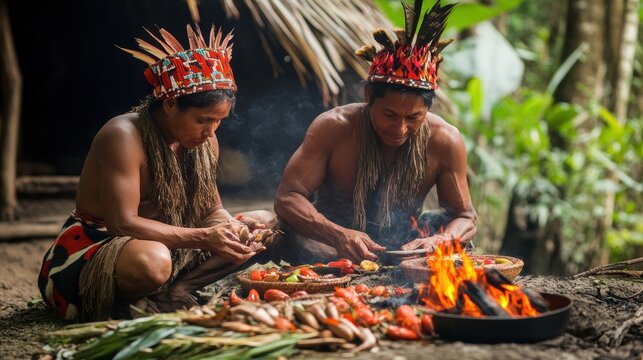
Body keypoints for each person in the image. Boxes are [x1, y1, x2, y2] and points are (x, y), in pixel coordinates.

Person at [38, 25, 277, 321]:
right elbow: (122, 225)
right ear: (170, 103)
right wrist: (206, 237)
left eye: (218, 121)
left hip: (174, 244)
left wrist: (231, 232)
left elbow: (211, 209)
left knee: (263, 223)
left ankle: (174, 292)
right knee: (154, 261)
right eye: (203, 120)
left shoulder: (205, 141)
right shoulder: (123, 136)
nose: (211, 131)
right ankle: (129, 297)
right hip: (102, 248)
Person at [273, 1, 476, 265]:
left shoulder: (445, 140)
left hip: (404, 251)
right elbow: (287, 198)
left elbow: (465, 216)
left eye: (414, 117)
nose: (400, 128)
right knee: (282, 232)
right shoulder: (333, 127)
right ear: (369, 96)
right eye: (390, 115)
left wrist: (441, 240)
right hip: (331, 248)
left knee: (457, 240)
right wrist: (338, 235)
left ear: (428, 108)